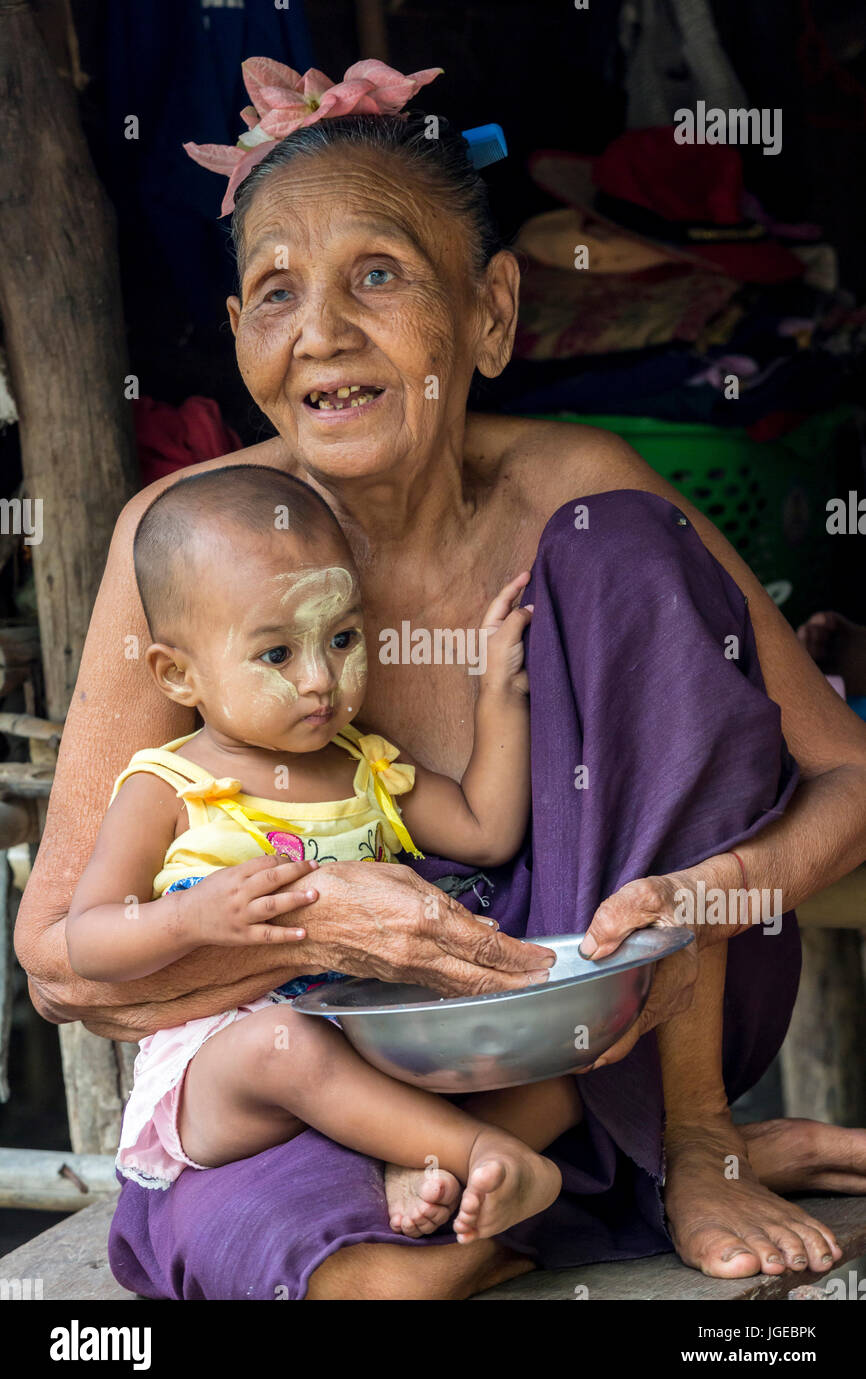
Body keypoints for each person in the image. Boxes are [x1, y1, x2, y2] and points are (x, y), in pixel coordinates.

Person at [15, 64, 866, 1300]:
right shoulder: (190, 544)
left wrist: (723, 887)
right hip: (325, 1066)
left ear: (490, 312)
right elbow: (56, 960)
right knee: (362, 1280)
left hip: (581, 1008)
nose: (319, 332)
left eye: (376, 273)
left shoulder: (578, 482)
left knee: (623, 551)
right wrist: (305, 925)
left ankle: (686, 1137)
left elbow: (844, 770)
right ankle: (586, 1164)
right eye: (273, 292)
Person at [66, 464, 577, 1242]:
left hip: (372, 1045)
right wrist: (194, 918)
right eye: (276, 655)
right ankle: (487, 1156)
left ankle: (410, 1157)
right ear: (178, 674)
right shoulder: (171, 787)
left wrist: (497, 696)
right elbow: (88, 940)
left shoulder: (365, 763)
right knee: (288, 1045)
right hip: (229, 1070)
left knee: (564, 1073)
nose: (320, 680)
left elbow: (485, 830)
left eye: (341, 639)